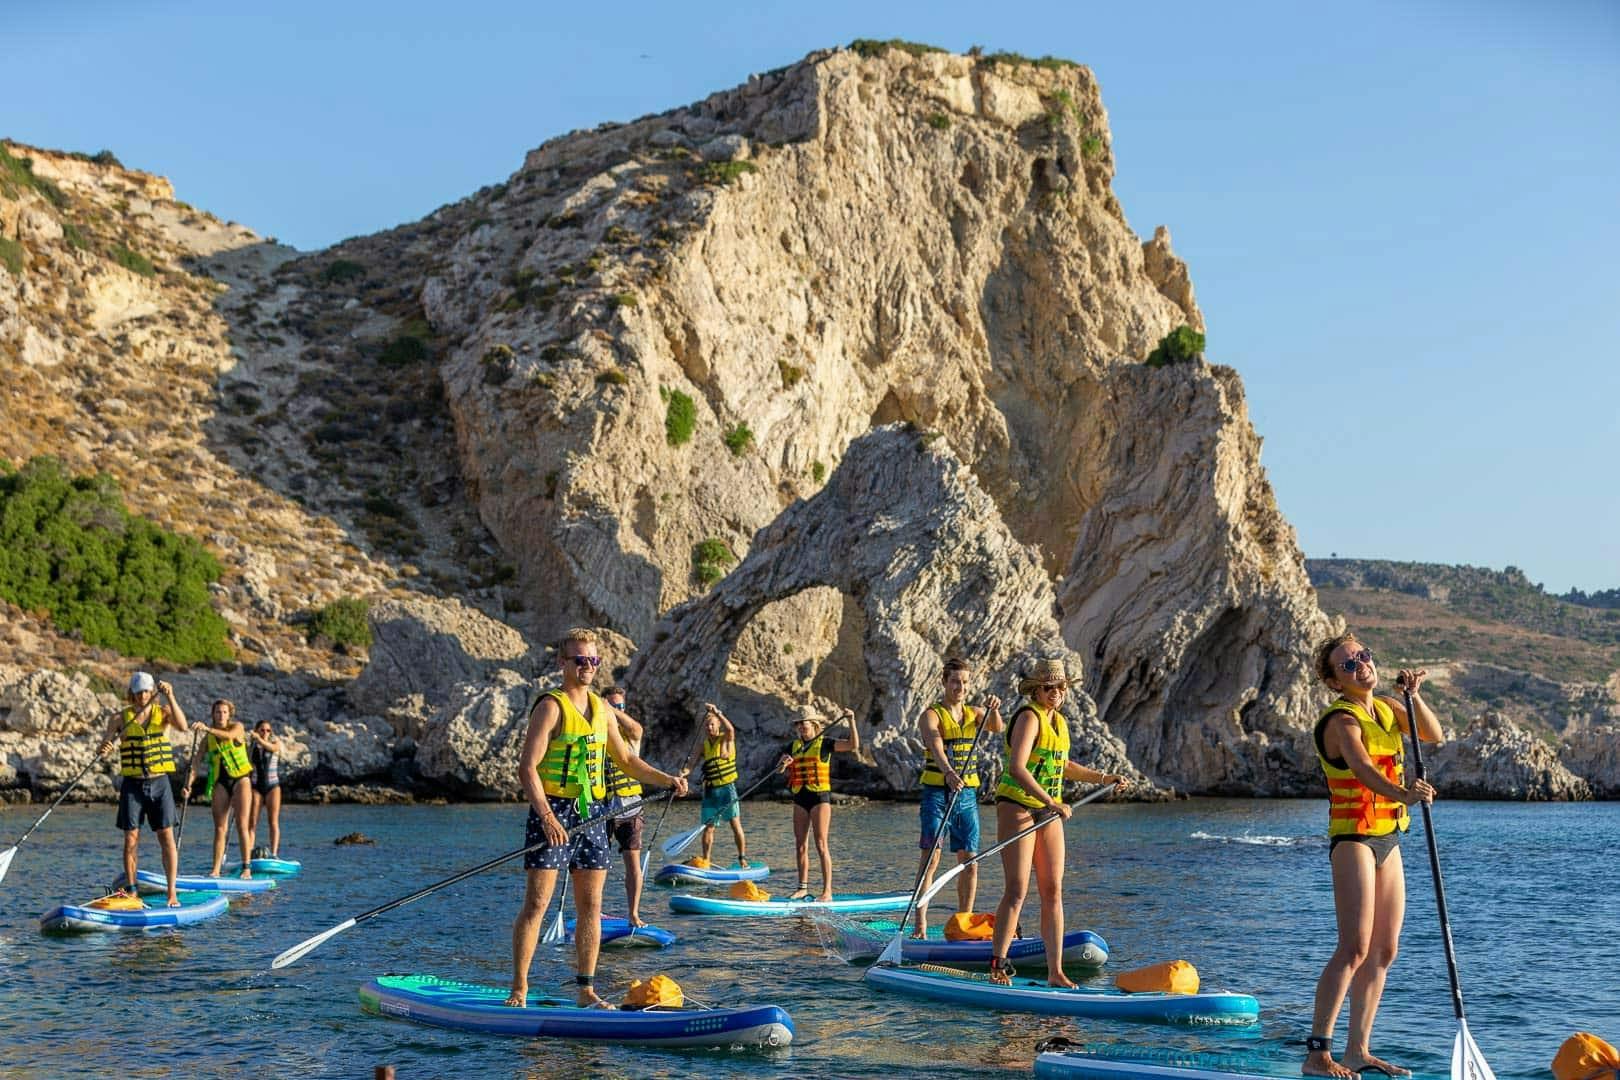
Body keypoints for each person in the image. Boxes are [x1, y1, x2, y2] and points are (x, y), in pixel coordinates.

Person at [508, 629, 688, 1009]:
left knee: (590, 906)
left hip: (593, 812)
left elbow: (627, 760)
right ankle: (519, 988)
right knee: (537, 904)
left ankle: (586, 990)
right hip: (554, 810)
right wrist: (547, 817)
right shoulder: (551, 707)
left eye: (594, 660)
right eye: (580, 660)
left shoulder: (604, 710)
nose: (588, 666)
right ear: (562, 663)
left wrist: (667, 778)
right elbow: (528, 768)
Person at [1302, 633, 1441, 1079]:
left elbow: (1432, 734)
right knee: (1354, 947)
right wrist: (1404, 792)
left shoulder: (1386, 708)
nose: (1361, 666)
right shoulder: (1341, 720)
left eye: (1363, 657)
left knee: (1384, 949)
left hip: (1389, 838)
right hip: (1354, 841)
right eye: (1348, 665)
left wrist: (1412, 697)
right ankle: (1318, 1054)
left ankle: (1358, 1049)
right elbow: (1361, 769)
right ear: (1333, 681)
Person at [987, 658, 1126, 987]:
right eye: (1049, 688)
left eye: (1061, 687)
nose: (1056, 693)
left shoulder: (1059, 722)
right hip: (1017, 804)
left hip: (1048, 810)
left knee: (1052, 890)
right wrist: (1052, 802)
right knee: (1017, 889)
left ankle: (1055, 971)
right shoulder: (1028, 717)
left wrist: (1103, 777)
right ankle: (998, 964)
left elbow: (1063, 765)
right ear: (1036, 690)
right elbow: (1019, 768)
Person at [913, 658, 1003, 938]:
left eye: (965, 682)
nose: (960, 687)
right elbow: (936, 745)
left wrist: (994, 709)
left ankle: (964, 923)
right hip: (937, 794)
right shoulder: (931, 715)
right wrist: (949, 772)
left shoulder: (976, 713)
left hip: (966, 796)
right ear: (944, 682)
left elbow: (997, 727)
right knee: (931, 859)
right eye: (955, 681)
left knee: (970, 861)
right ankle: (920, 924)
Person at [97, 672, 190, 906]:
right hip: (133, 785)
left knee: (166, 837)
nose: (143, 696)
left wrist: (171, 696)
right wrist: (104, 747)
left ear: (152, 694)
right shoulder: (120, 718)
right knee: (130, 839)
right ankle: (132, 891)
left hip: (160, 783)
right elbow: (104, 745)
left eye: (147, 692)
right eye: (139, 693)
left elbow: (183, 726)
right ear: (132, 694)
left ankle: (172, 893)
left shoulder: (164, 713)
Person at [776, 709, 860, 902]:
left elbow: (852, 745)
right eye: (797, 724)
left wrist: (851, 721)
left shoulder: (825, 743)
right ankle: (802, 888)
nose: (800, 727)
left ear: (813, 723)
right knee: (800, 845)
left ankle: (827, 891)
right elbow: (778, 770)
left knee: (821, 844)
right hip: (800, 798)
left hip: (819, 798)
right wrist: (784, 763)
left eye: (802, 722)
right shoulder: (793, 746)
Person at [183, 699, 254, 879]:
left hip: (240, 779)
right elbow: (196, 763)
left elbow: (229, 737)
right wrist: (188, 784)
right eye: (217, 712)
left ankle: (247, 867)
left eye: (224, 712)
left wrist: (206, 728)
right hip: (220, 782)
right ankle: (215, 870)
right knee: (220, 828)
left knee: (241, 825)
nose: (221, 715)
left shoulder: (237, 728)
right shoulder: (208, 739)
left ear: (229, 715)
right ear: (213, 714)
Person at [599, 685, 648, 927]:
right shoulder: (599, 732)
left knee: (632, 862)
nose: (618, 709)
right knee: (597, 864)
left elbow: (637, 728)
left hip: (631, 808)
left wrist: (611, 710)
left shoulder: (630, 735)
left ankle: (633, 914)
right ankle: (594, 912)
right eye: (612, 704)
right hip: (603, 809)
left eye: (621, 706)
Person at [681, 703, 749, 868]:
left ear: (718, 725)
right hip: (711, 791)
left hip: (727, 789)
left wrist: (717, 713)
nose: (709, 727)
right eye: (707, 725)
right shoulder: (703, 745)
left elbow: (731, 729)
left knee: (735, 824)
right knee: (708, 828)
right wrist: (683, 773)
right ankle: (706, 860)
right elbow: (691, 764)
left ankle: (742, 858)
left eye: (712, 724)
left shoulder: (726, 739)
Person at [247, 719, 284, 858]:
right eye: (262, 730)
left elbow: (273, 749)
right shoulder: (252, 746)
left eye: (268, 730)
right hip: (256, 786)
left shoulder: (275, 743)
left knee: (273, 821)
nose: (265, 733)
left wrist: (260, 740)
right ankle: (249, 853)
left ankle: (274, 853)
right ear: (257, 730)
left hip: (273, 786)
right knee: (252, 822)